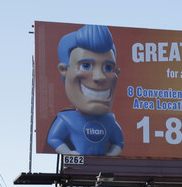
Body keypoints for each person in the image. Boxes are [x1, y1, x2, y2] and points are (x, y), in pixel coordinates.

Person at [46, 24, 124, 156]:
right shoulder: (66, 119)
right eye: (86, 65)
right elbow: (53, 138)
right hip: (77, 169)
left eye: (108, 68)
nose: (99, 77)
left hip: (101, 170)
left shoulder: (110, 120)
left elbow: (119, 142)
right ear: (64, 70)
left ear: (117, 73)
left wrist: (110, 156)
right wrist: (69, 153)